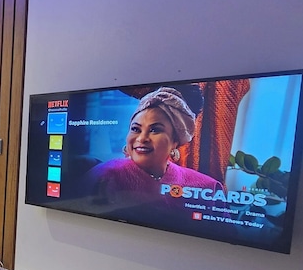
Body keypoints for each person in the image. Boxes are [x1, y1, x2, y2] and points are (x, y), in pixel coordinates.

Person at [79, 87, 223, 216]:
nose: (142, 138)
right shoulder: (105, 175)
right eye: (135, 129)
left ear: (175, 140)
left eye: (155, 130)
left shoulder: (207, 187)